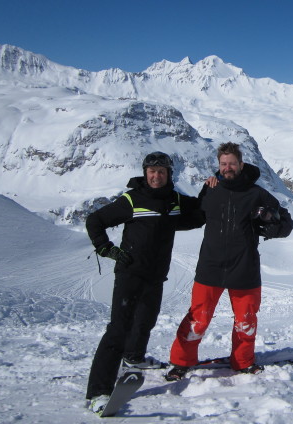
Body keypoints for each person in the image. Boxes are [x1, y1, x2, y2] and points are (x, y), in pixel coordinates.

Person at [85, 151, 202, 413]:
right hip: (130, 273)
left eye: (161, 171)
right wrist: (107, 249)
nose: (156, 176)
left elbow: (196, 212)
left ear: (169, 174)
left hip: (156, 274)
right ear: (145, 173)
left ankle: (134, 359)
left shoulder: (174, 200)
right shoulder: (132, 199)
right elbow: (95, 220)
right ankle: (98, 391)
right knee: (118, 329)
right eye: (152, 171)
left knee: (145, 321)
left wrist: (211, 189)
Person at [165, 142, 293, 380]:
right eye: (223, 164)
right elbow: (195, 217)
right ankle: (181, 362)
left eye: (232, 163)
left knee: (246, 321)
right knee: (197, 320)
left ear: (241, 164)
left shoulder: (257, 194)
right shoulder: (211, 189)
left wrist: (269, 221)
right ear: (218, 166)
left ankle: (243, 361)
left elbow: (284, 224)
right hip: (210, 266)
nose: (227, 168)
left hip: (244, 268)